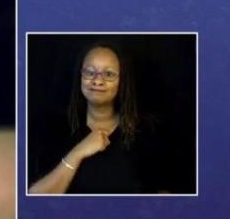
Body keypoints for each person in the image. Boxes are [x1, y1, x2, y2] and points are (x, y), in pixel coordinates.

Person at [29, 42, 162, 194]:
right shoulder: (53, 129)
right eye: (90, 72)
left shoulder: (146, 131)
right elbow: (33, 197)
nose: (97, 81)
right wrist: (77, 153)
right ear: (80, 76)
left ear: (122, 81)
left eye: (109, 74)